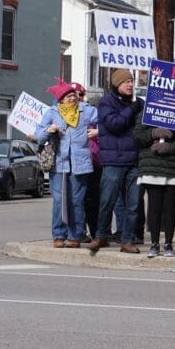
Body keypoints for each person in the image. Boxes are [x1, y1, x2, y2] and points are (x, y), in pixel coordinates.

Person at [35, 80, 98, 249]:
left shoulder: (86, 111)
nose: (72, 98)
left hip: (80, 163)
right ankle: (58, 235)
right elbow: (38, 135)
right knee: (59, 201)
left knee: (76, 201)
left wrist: (98, 131)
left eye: (73, 95)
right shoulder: (52, 112)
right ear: (61, 99)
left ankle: (75, 236)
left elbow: (105, 120)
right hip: (59, 163)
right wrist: (49, 130)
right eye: (68, 96)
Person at [89, 68, 144, 254]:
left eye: (131, 81)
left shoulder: (136, 105)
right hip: (113, 161)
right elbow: (115, 125)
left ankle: (127, 240)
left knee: (134, 204)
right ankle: (100, 235)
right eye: (125, 82)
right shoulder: (106, 103)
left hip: (134, 161)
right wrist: (133, 109)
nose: (129, 85)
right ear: (116, 84)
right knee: (107, 201)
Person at [133, 117, 175, 257]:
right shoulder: (148, 110)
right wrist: (153, 133)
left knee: (169, 207)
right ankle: (154, 243)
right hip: (152, 166)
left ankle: (168, 243)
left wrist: (171, 147)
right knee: (154, 207)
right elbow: (138, 136)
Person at [75, 82, 101, 243]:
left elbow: (109, 126)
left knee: (93, 200)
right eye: (72, 95)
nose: (76, 98)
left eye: (79, 94)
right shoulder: (63, 113)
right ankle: (79, 231)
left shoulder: (92, 113)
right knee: (78, 199)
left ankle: (96, 232)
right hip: (76, 163)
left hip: (95, 163)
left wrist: (97, 132)